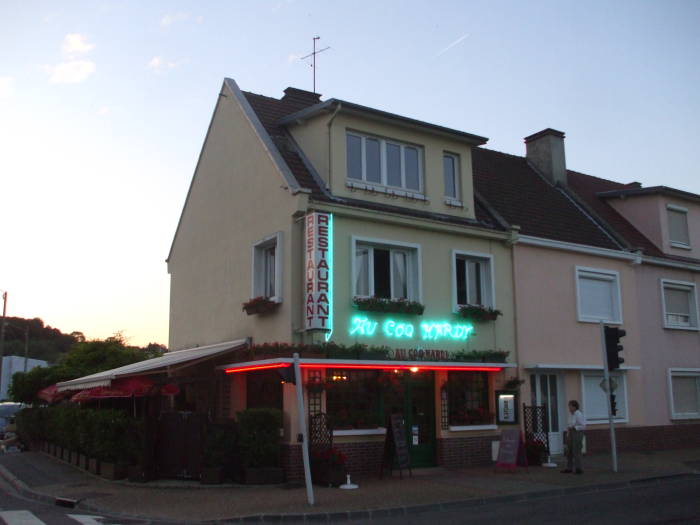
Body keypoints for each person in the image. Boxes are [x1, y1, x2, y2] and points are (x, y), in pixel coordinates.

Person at [561, 400, 585, 474]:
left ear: (574, 407)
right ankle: (569, 468)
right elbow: (569, 425)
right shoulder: (571, 415)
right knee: (569, 451)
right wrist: (568, 434)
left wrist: (575, 428)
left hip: (577, 433)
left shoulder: (579, 414)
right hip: (571, 433)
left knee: (576, 451)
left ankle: (578, 468)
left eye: (570, 406)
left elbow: (583, 426)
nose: (569, 408)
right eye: (569, 406)